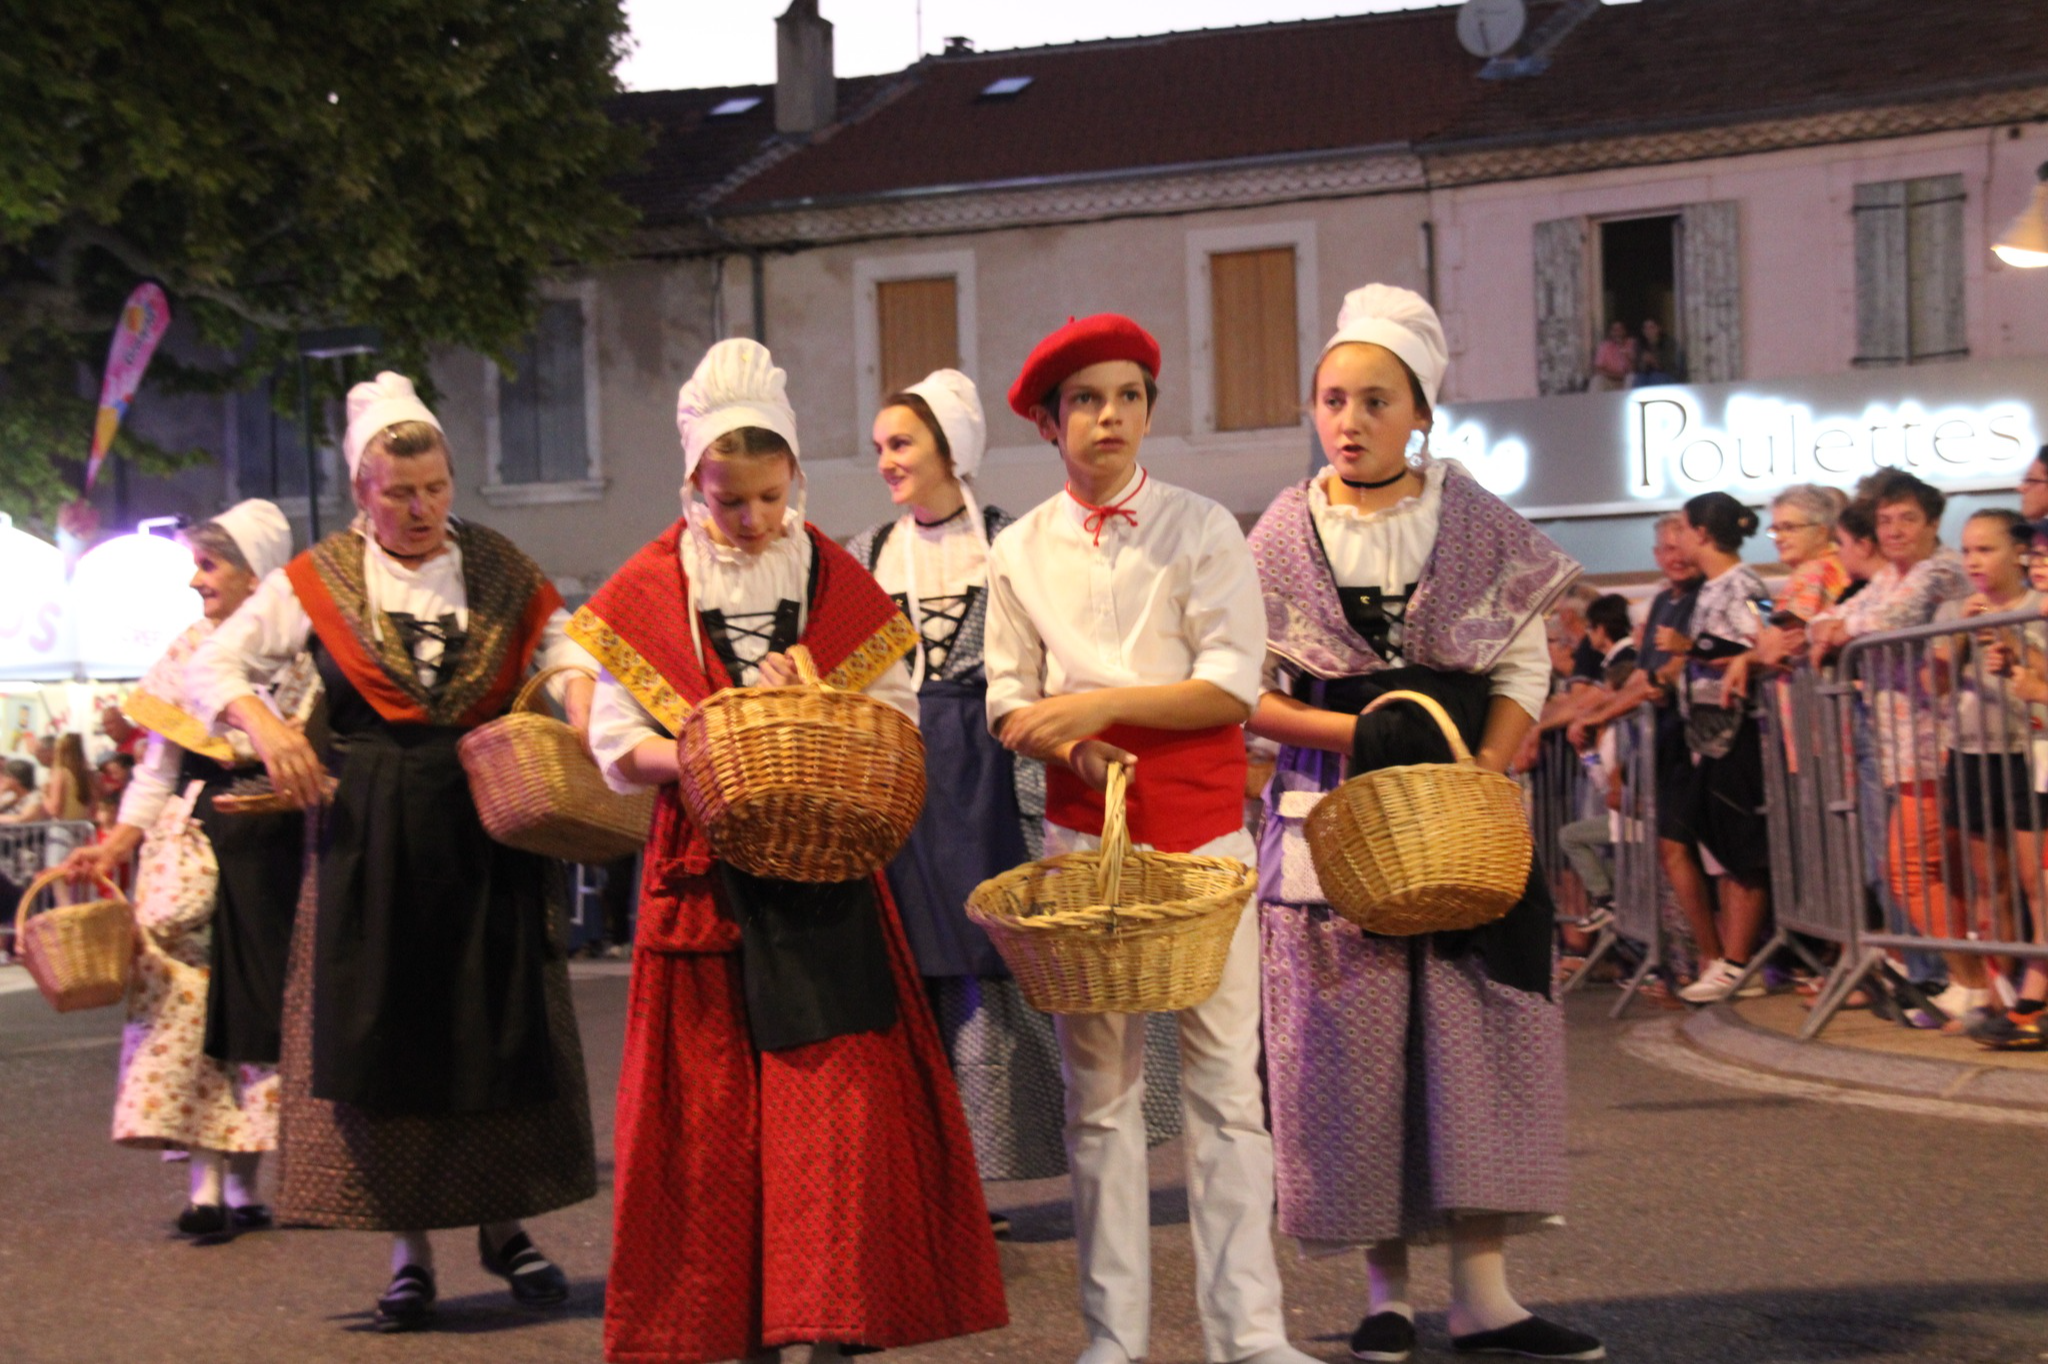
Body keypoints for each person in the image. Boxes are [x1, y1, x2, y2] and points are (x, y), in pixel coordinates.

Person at [576, 339, 1006, 1364]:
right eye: (731, 501)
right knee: (716, 1119)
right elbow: (613, 747)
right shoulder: (651, 586)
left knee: (832, 1106)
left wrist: (813, 703)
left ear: (795, 478)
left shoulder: (833, 575)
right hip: (704, 879)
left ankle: (833, 1313)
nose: (755, 518)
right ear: (695, 485)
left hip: (824, 868)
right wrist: (707, 743)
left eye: (772, 497)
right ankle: (735, 1321)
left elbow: (895, 712)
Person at [187, 373, 598, 1331]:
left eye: (435, 488)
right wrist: (267, 726)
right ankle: (408, 1252)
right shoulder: (319, 577)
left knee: (496, 1027)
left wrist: (579, 703)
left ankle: (507, 1227)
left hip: (485, 820)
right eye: (400, 492)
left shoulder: (496, 567)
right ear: (362, 491)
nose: (420, 509)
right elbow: (213, 663)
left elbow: (570, 644)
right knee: (388, 1039)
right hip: (369, 834)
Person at [1247, 284, 1601, 1365]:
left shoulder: (1476, 520)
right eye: (1332, 399)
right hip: (1334, 814)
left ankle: (1485, 1296)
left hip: (1460, 817)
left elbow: (1522, 666)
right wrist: (1356, 735)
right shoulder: (1280, 533)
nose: (1349, 420)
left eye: (1374, 400)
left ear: (1421, 413)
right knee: (1352, 1058)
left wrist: (1481, 775)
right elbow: (1240, 689)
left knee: (1475, 1044)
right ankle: (1384, 1292)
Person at [983, 313, 1315, 1365]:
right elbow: (1006, 699)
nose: (1109, 416)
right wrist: (1077, 746)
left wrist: (1095, 708)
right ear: (1049, 423)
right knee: (1099, 1100)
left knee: (1228, 1094)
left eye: (1127, 396)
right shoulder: (1017, 548)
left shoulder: (1202, 525)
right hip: (1085, 844)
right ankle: (1112, 1339)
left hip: (1206, 836)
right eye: (1085, 399)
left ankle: (1248, 1335)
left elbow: (1230, 686)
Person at [849, 369, 1175, 1190]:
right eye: (880, 446)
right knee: (915, 969)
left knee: (1004, 964)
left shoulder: (1013, 541)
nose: (886, 461)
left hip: (998, 772)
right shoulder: (867, 554)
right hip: (905, 781)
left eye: (901, 443)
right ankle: (934, 1177)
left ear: (949, 449)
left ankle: (1008, 1159)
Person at [63, 501, 310, 1235]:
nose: (196, 580)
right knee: (188, 1006)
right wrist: (117, 843)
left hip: (279, 848)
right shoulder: (186, 652)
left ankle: (244, 1184)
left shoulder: (302, 655)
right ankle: (205, 1186)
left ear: (256, 574)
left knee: (262, 1008)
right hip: (198, 846)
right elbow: (157, 769)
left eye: (210, 564)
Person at [1811, 471, 1971, 1012]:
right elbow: (1828, 618)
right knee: (1917, 871)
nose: (1895, 530)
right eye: (1885, 521)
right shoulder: (1889, 577)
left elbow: (1891, 618)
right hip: (1899, 748)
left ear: (1932, 523)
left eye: (1907, 519)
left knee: (1912, 869)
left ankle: (1971, 982)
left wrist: (1843, 631)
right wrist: (1833, 629)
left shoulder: (1941, 569)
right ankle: (1968, 981)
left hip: (1937, 744)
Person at [1927, 509, 2043, 1028]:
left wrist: (2008, 637)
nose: (1973, 560)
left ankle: (2035, 994)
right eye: (1967, 550)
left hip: (2027, 753)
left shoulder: (2038, 606)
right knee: (1989, 883)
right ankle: (1998, 996)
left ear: (2019, 553)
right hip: (1971, 754)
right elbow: (1934, 685)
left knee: (2034, 881)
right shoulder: (1953, 609)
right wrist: (1960, 635)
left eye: (1986, 549)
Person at [1668, 492, 1772, 1005]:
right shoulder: (1710, 587)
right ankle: (1729, 961)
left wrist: (1689, 649)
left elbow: (1763, 640)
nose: (1678, 540)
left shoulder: (1745, 583)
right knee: (1720, 851)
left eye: (1683, 530)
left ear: (1703, 533)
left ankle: (1737, 962)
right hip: (1708, 738)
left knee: (1742, 851)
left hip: (1737, 731)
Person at [1630, 317, 1681, 386]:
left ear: (1658, 329)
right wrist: (1643, 363)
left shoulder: (1668, 343)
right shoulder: (1641, 344)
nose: (1648, 331)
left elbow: (1671, 366)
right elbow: (1637, 367)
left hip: (1666, 374)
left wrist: (1654, 362)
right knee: (1638, 379)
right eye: (1645, 328)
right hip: (1646, 375)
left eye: (1651, 327)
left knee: (1655, 377)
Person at [1590, 320, 1636, 391]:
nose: (1617, 332)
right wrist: (1617, 376)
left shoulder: (1632, 344)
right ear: (1611, 332)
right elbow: (1598, 369)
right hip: (1610, 380)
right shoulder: (1605, 346)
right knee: (1597, 380)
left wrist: (1625, 353)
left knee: (1631, 377)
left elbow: (1635, 368)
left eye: (1620, 329)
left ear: (1624, 331)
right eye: (1614, 330)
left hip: (1625, 381)